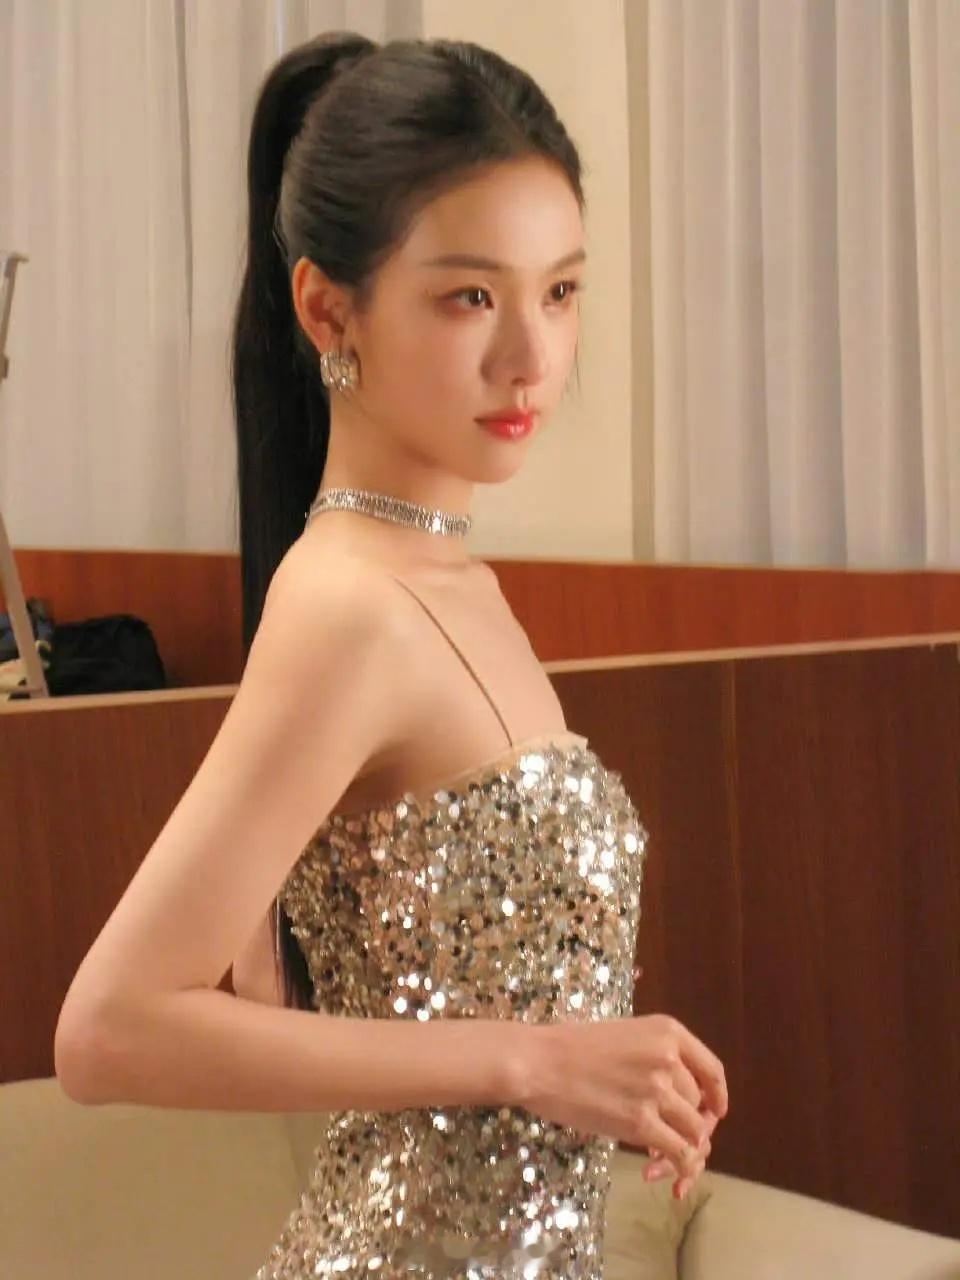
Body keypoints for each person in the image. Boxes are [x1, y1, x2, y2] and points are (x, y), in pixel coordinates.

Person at [54, 30, 729, 1278]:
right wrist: (534, 1058)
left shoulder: (448, 583)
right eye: (472, 296)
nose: (532, 357)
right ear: (328, 307)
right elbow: (107, 1029)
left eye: (561, 291)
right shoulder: (350, 605)